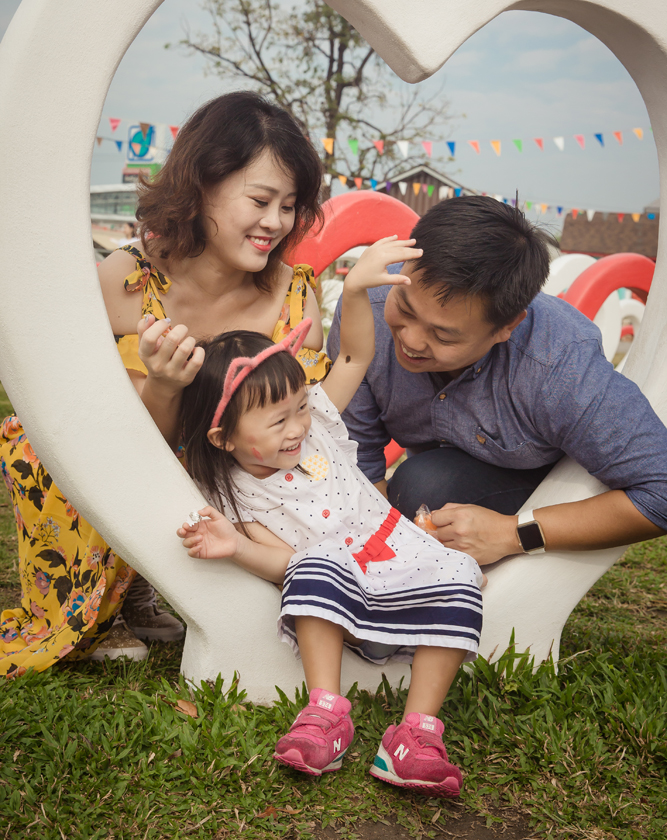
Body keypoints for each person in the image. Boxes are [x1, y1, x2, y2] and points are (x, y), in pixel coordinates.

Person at [0, 91, 326, 677]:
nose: (276, 223)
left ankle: (150, 584)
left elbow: (311, 426)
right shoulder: (127, 280)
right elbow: (88, 424)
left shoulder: (294, 293)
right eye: (260, 199)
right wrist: (165, 387)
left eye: (290, 204)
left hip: (242, 476)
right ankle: (111, 597)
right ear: (201, 186)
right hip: (129, 451)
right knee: (37, 442)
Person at [177, 237, 484, 796]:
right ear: (223, 437)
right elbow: (283, 564)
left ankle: (415, 733)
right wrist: (235, 546)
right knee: (312, 562)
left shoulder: (316, 424)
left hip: (397, 558)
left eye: (299, 406)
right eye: (277, 421)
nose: (298, 426)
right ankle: (326, 713)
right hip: (339, 599)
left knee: (461, 573)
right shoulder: (240, 495)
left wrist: (360, 287)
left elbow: (353, 357)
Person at [327, 195, 667, 566]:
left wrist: (512, 533)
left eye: (443, 336)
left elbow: (661, 489)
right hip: (440, 472)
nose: (410, 340)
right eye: (404, 308)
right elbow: (354, 451)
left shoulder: (559, 365)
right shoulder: (367, 306)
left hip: (539, 485)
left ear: (507, 327)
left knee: (423, 486)